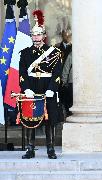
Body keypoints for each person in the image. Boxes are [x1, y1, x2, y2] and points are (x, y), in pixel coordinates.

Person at [19, 10, 62, 159]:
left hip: (47, 87)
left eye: (38, 34)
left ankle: (50, 148)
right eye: (33, 35)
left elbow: (57, 73)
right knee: (29, 118)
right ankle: (30, 148)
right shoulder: (24, 53)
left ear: (44, 36)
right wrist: (26, 89)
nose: (36, 37)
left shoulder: (54, 52)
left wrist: (52, 89)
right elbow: (22, 73)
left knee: (49, 119)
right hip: (32, 87)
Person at [61, 51, 73, 117]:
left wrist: (64, 81)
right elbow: (66, 68)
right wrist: (64, 81)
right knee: (70, 102)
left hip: (72, 82)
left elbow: (66, 68)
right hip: (72, 82)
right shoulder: (72, 54)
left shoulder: (72, 53)